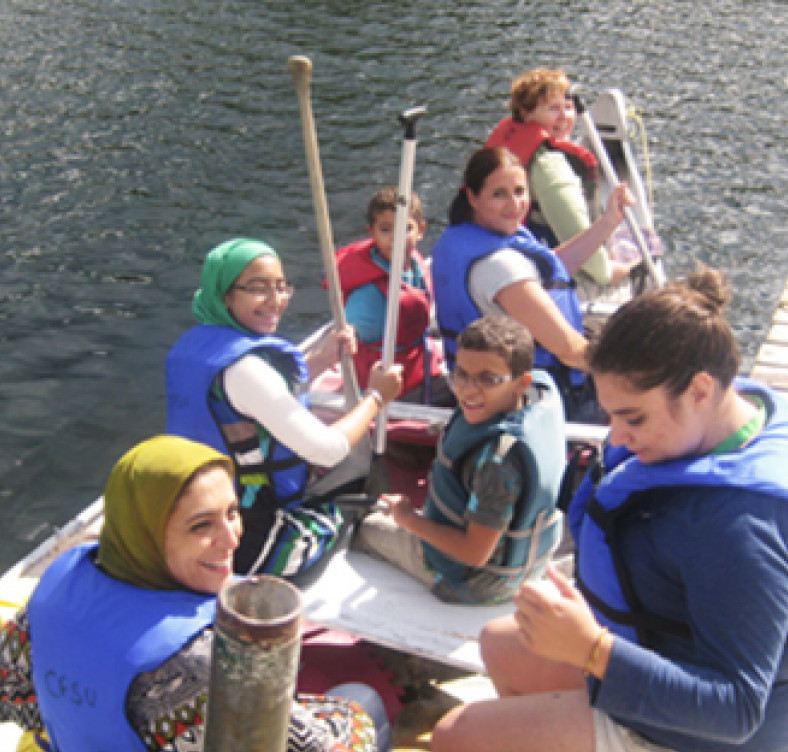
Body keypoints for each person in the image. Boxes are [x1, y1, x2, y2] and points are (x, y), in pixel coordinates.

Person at [429, 268, 788, 752]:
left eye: (634, 418)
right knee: (502, 642)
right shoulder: (746, 414)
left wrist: (592, 650)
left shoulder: (744, 530)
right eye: (611, 415)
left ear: (701, 389)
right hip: (680, 692)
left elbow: (735, 709)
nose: (620, 438)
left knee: (455, 739)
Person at [0, 435, 486, 752]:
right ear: (150, 531)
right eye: (200, 526)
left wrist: (86, 722)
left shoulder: (62, 584)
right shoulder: (197, 668)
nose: (231, 538)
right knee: (360, 703)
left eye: (233, 514)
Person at [165, 238, 402, 584]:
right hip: (244, 535)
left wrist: (322, 359)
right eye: (258, 288)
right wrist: (377, 398)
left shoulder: (199, 346)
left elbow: (253, 398)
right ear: (225, 295)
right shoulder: (245, 368)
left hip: (191, 511)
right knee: (349, 496)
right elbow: (327, 448)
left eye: (281, 286)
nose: (276, 300)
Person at [355, 316, 566, 605]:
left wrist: (409, 519)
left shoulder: (498, 461)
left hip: (477, 582)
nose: (468, 389)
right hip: (523, 561)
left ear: (521, 383)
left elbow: (473, 554)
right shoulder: (538, 397)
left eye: (488, 379)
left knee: (364, 530)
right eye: (462, 373)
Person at [431, 146, 631, 422]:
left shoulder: (486, 237)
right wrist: (630, 374)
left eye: (520, 191)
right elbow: (570, 350)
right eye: (498, 194)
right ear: (472, 197)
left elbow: (549, 269)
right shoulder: (497, 268)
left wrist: (608, 222)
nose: (514, 205)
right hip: (544, 399)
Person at [485, 67, 628, 289]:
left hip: (505, 262)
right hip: (557, 279)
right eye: (553, 109)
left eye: (568, 108)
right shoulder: (549, 167)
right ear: (526, 113)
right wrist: (612, 272)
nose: (565, 118)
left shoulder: (507, 144)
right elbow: (581, 244)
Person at [337, 186, 449, 405]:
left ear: (420, 230)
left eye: (405, 228)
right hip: (393, 389)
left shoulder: (414, 263)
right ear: (372, 233)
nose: (396, 238)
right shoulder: (369, 294)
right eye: (386, 229)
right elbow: (351, 331)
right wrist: (349, 334)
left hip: (419, 365)